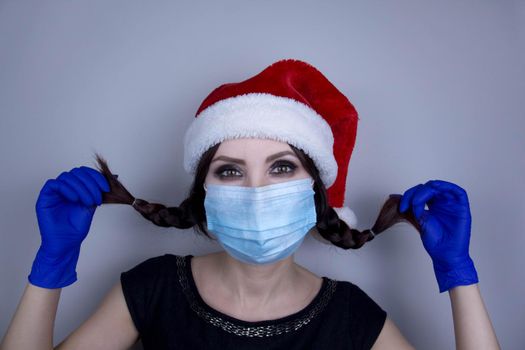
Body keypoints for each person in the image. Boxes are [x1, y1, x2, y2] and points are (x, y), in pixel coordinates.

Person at [0, 59, 500, 350]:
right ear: (204, 197)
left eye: (281, 167)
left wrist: (459, 275)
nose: (256, 191)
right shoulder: (152, 289)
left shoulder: (351, 316)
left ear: (316, 192)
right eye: (230, 170)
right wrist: (51, 265)